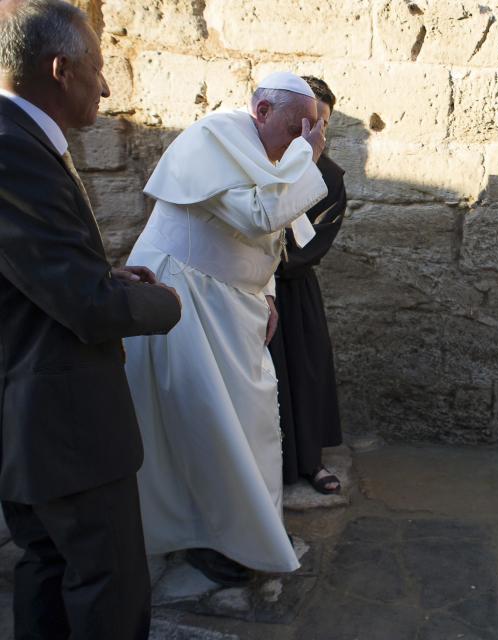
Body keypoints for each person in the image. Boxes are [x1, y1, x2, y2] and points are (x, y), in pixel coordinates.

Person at [0, 1, 183, 638]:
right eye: (99, 68)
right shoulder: (13, 151)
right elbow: (85, 308)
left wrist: (106, 275)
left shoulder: (19, 141)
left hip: (38, 424)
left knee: (48, 567)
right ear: (61, 69)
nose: (106, 86)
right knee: (109, 582)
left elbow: (34, 275)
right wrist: (169, 304)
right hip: (61, 425)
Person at [122, 71, 328, 587]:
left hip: (231, 303)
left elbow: (269, 235)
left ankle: (239, 534)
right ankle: (206, 537)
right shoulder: (213, 139)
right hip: (184, 300)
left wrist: (269, 292)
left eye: (310, 132)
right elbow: (260, 213)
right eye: (293, 130)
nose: (296, 144)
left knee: (247, 424)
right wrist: (309, 156)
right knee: (205, 427)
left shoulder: (266, 145)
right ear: (261, 111)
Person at [269, 76, 346, 495]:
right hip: (248, 288)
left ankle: (311, 461)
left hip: (294, 290)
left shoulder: (331, 178)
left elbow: (314, 242)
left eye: (324, 126)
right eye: (309, 124)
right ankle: (273, 469)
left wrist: (269, 263)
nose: (316, 134)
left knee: (305, 371)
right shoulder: (259, 161)